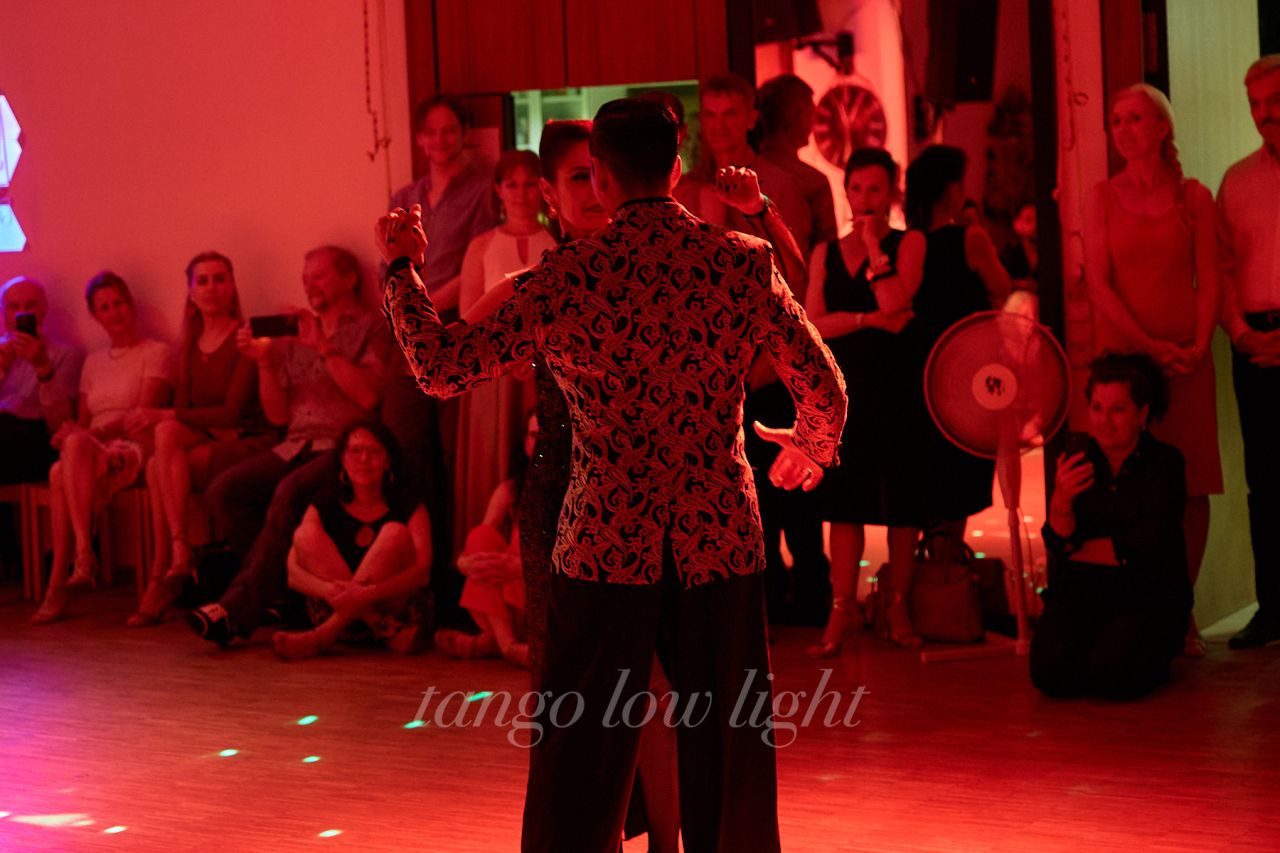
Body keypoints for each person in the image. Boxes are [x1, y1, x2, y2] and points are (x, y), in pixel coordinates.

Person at [380, 99, 846, 853]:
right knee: (729, 742)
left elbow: (439, 367)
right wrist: (813, 446)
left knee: (582, 751)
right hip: (717, 533)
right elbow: (824, 385)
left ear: (598, 177)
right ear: (677, 168)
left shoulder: (564, 277)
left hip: (604, 535)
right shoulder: (739, 260)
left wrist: (401, 268)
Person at [677, 72, 826, 626]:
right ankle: (760, 599)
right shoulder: (685, 186)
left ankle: (810, 594)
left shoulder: (778, 183)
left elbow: (796, 274)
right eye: (710, 115)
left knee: (790, 486)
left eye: (729, 114)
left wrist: (776, 354)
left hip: (771, 359)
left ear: (750, 118)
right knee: (739, 493)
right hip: (713, 367)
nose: (719, 126)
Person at [186, 246, 392, 646]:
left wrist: (323, 348)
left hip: (342, 445)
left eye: (319, 276)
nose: (308, 284)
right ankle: (278, 597)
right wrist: (264, 362)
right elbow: (279, 416)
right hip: (294, 444)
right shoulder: (294, 333)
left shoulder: (372, 327)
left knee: (289, 490)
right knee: (225, 490)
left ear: (349, 278)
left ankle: (235, 611)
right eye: (305, 277)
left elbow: (369, 397)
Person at [1084, 83, 1222, 656]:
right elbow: (1098, 282)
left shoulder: (1195, 196)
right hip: (1125, 362)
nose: (1123, 129)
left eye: (1136, 118)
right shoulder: (1102, 196)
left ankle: (1181, 612)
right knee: (1125, 481)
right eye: (1116, 120)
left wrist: (1197, 343)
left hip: (1186, 360)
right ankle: (1133, 605)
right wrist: (1146, 346)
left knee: (1191, 485)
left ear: (1163, 127)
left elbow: (1210, 277)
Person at [804, 147, 926, 652]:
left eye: (875, 189)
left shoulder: (909, 242)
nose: (865, 199)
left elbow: (898, 300)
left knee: (902, 504)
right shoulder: (825, 251)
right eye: (856, 188)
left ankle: (897, 605)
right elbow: (814, 322)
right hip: (846, 387)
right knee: (845, 504)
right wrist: (868, 320)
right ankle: (840, 610)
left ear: (891, 192)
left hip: (898, 385)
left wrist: (875, 248)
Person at [127, 252, 275, 626]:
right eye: (203, 281)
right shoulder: (190, 342)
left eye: (220, 279)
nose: (212, 288)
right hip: (209, 438)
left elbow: (232, 412)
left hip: (248, 440)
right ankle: (177, 553)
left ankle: (163, 574)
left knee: (159, 465)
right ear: (191, 292)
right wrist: (179, 420)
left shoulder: (244, 337)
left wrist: (171, 417)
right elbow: (185, 408)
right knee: (161, 453)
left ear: (232, 286)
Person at [1032, 352, 1191, 699]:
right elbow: (1058, 542)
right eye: (1097, 408)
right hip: (1087, 591)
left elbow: (1147, 546)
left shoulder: (1164, 464)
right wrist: (1062, 499)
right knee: (1049, 673)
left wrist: (1078, 550)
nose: (1105, 421)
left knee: (1113, 676)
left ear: (1141, 415)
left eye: (1118, 409)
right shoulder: (1078, 460)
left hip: (1147, 593)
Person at [31, 272, 173, 623]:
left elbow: (141, 413)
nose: (114, 312)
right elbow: (83, 420)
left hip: (133, 444)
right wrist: (70, 433)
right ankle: (81, 555)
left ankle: (66, 575)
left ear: (131, 305)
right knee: (64, 461)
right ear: (96, 315)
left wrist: (87, 436)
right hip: (92, 449)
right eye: (105, 307)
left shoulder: (156, 352)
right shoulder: (93, 362)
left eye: (118, 303)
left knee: (61, 471)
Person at [906, 145, 1012, 549]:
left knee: (929, 464)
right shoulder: (970, 238)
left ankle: (930, 551)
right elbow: (1001, 286)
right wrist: (975, 224)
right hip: (967, 362)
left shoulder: (909, 241)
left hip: (922, 362)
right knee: (962, 460)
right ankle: (949, 556)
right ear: (952, 190)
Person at [453, 150, 553, 548]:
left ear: (543, 188)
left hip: (547, 371)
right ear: (498, 190)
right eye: (512, 184)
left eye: (529, 183)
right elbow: (468, 317)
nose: (521, 193)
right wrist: (508, 357)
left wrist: (535, 356)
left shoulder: (559, 240)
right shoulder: (481, 245)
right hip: (493, 372)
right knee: (493, 460)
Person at [271, 421, 432, 659]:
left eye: (374, 452)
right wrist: (336, 593)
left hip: (396, 611)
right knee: (304, 534)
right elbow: (293, 574)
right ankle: (380, 625)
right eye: (355, 451)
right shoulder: (325, 503)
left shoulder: (409, 504)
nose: (364, 459)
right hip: (351, 615)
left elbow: (422, 573)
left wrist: (371, 593)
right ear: (342, 460)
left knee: (394, 533)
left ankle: (321, 637)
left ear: (388, 461)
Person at [1218, 55, 1280, 650]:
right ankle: (1274, 607)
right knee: (1264, 480)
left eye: (1275, 100)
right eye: (1256, 104)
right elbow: (1222, 269)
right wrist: (1240, 334)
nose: (1265, 114)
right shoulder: (1237, 181)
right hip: (1255, 343)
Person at [435, 411, 536, 667]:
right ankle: (507, 644)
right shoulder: (510, 491)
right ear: (525, 442)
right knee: (481, 536)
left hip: (542, 601)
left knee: (523, 543)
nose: (539, 444)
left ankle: (491, 642)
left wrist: (521, 567)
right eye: (534, 436)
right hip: (507, 602)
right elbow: (477, 545)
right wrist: (464, 564)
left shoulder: (573, 490)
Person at [389, 94, 499, 321]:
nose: (439, 139)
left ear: (464, 132)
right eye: (430, 132)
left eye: (449, 130)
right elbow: (388, 262)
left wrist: (425, 307)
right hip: (406, 318)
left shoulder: (484, 192)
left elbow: (480, 264)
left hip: (457, 318)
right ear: (419, 138)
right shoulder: (403, 197)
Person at [0, 276, 82, 484]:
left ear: (43, 309)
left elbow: (59, 423)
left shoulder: (65, 355)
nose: (21, 313)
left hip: (34, 436)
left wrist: (42, 365)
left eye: (30, 306)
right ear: (3, 312)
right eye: (13, 307)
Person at [757, 73, 838, 258]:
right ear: (800, 116)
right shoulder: (813, 182)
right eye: (812, 112)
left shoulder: (742, 172)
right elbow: (828, 256)